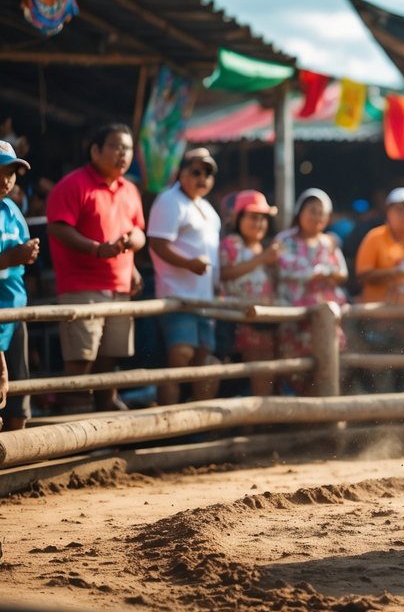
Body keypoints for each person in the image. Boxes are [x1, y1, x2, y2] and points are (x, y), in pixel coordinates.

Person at [46, 123, 146, 412]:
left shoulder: (130, 190)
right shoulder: (73, 184)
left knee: (109, 359)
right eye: (115, 146)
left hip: (119, 287)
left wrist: (132, 257)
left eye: (127, 148)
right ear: (95, 150)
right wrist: (96, 249)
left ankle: (104, 430)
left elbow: (139, 231)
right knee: (80, 360)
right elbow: (57, 228)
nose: (122, 154)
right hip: (82, 286)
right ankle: (73, 431)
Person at [146, 147, 222, 406]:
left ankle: (194, 427)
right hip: (177, 296)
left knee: (203, 359)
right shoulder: (169, 200)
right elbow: (156, 243)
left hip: (204, 299)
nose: (203, 178)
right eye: (196, 171)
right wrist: (188, 263)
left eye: (208, 173)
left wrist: (216, 284)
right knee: (180, 358)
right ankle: (170, 427)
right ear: (182, 173)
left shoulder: (208, 209)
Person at [353, 187, 404, 392]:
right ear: (388, 211)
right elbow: (362, 275)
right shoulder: (374, 237)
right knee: (380, 367)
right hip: (379, 318)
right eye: (398, 209)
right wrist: (394, 273)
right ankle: (380, 415)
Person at [274, 188, 349, 393]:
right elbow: (283, 268)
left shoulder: (329, 243)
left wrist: (329, 275)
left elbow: (342, 273)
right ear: (300, 212)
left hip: (326, 316)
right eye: (312, 210)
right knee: (295, 364)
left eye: (321, 212)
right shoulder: (284, 240)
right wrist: (317, 273)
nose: (317, 216)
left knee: (327, 360)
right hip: (294, 314)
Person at [218, 189, 280, 397]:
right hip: (240, 320)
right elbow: (225, 274)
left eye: (263, 218)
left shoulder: (262, 248)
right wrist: (262, 259)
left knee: (265, 368)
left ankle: (261, 420)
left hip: (263, 322)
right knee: (257, 369)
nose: (259, 223)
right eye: (253, 217)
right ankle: (254, 422)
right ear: (239, 218)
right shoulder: (231, 244)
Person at [0, 141, 39, 430]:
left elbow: (22, 258)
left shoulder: (12, 210)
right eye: (0, 171)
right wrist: (12, 257)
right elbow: (13, 256)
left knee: (18, 384)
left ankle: (15, 465)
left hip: (14, 308)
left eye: (11, 172)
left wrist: (27, 255)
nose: (5, 180)